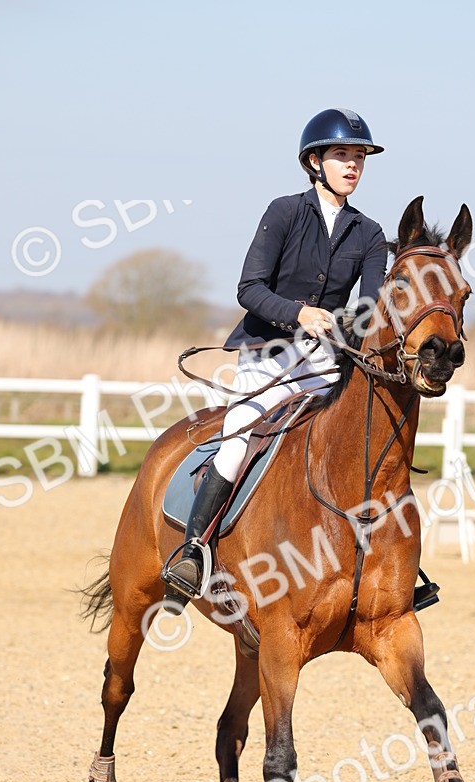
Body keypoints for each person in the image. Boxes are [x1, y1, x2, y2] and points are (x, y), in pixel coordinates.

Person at [162, 107, 388, 602]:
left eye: (359, 157)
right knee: (238, 441)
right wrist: (300, 314)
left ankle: (387, 569)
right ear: (314, 162)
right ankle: (193, 550)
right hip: (268, 357)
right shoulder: (284, 212)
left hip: (326, 365)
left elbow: (371, 307)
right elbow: (249, 288)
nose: (353, 165)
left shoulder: (370, 234)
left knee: (360, 447)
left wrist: (350, 325)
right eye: (342, 156)